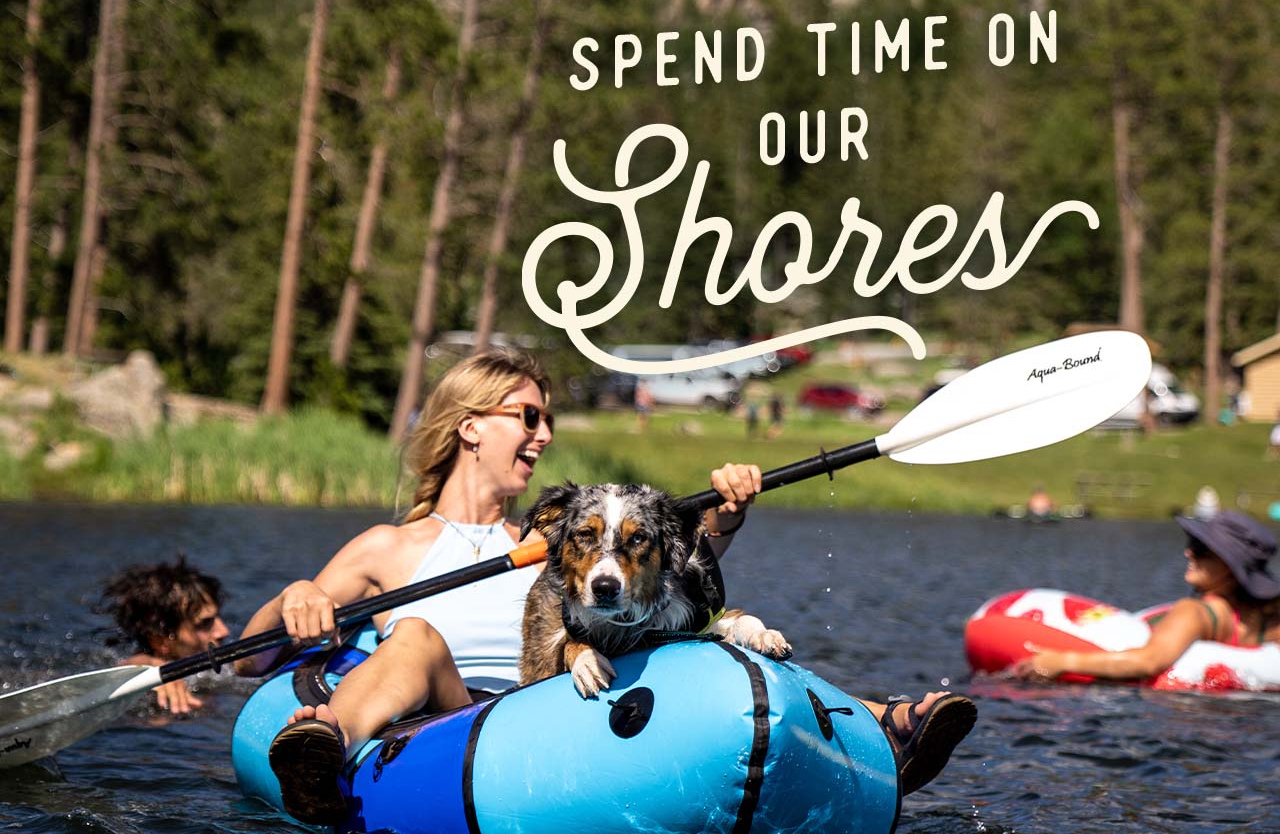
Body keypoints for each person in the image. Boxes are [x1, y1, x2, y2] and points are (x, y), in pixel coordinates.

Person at [240, 349, 974, 824]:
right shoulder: (389, 547)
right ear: (468, 428)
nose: (545, 434)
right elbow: (248, 658)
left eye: (549, 420)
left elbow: (665, 573)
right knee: (416, 637)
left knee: (719, 631)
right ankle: (323, 748)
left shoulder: (573, 535)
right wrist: (296, 595)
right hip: (457, 716)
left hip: (580, 691)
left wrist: (725, 514)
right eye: (527, 416)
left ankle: (880, 726)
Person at [1012, 511, 1280, 682]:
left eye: (1199, 549)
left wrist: (1061, 661)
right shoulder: (1264, 619)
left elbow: (1148, 661)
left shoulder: (1196, 612)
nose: (1188, 553)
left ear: (1228, 566)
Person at [98, 556, 230, 714]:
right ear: (160, 640)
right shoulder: (151, 693)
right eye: (203, 624)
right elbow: (125, 667)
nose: (224, 631)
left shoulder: (225, 671)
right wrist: (150, 669)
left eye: (217, 618)